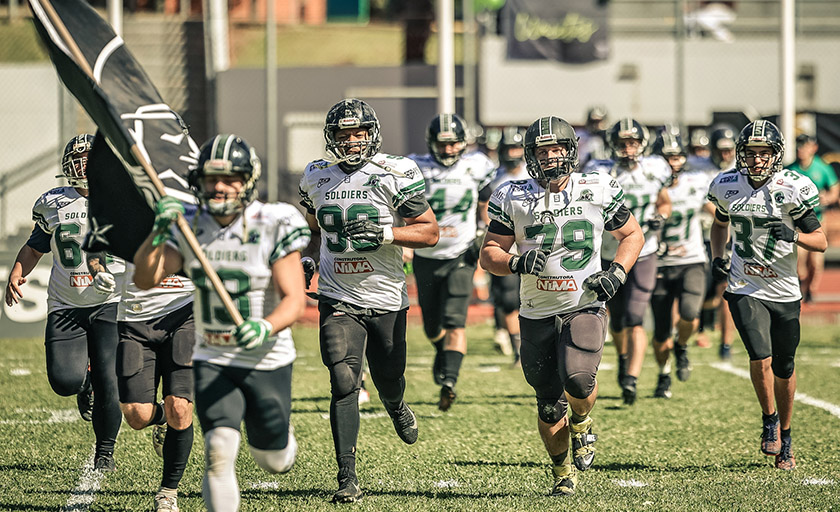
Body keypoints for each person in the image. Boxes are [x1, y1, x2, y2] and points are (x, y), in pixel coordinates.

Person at [133, 134, 310, 511]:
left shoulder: (273, 220)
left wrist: (265, 326)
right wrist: (158, 232)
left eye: (230, 178)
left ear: (248, 180)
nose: (219, 187)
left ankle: (281, 438)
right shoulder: (190, 223)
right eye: (212, 178)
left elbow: (294, 300)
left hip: (266, 357)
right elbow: (145, 279)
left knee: (273, 460)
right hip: (213, 355)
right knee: (218, 450)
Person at [481, 116, 643, 496]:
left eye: (557, 149)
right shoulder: (511, 194)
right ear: (531, 154)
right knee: (549, 404)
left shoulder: (598, 185)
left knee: (578, 379)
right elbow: (489, 255)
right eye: (543, 150)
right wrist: (516, 262)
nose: (551, 157)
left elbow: (632, 234)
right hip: (536, 309)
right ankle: (562, 471)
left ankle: (583, 421)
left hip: (582, 302)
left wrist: (616, 273)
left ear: (571, 152)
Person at [298, 98, 439, 503]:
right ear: (332, 137)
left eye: (359, 132)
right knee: (343, 380)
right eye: (344, 134)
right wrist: (304, 258)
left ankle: (395, 406)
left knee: (389, 377)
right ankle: (347, 476)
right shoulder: (315, 176)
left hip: (386, 295)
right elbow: (313, 230)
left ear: (373, 134)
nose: (353, 140)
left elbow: (429, 232)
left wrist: (385, 234)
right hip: (337, 294)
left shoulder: (395, 172)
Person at [708, 120, 826, 470]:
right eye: (751, 153)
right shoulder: (727, 185)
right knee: (760, 356)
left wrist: (792, 235)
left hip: (785, 289)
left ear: (776, 155)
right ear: (741, 154)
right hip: (745, 284)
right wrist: (718, 255)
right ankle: (769, 418)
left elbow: (820, 241)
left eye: (764, 153)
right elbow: (719, 224)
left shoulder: (792, 187)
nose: (757, 160)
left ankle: (786, 436)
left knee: (785, 367)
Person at [4, 134, 125, 471]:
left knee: (109, 379)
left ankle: (105, 451)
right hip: (65, 303)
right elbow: (34, 246)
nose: (86, 166)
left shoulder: (120, 198)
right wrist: (17, 270)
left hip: (110, 302)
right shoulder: (53, 201)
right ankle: (83, 382)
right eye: (80, 159)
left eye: (92, 159)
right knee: (63, 380)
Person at [407, 113, 495, 411]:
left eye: (454, 143)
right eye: (442, 144)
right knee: (432, 327)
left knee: (456, 321)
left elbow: (484, 204)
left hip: (461, 252)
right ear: (431, 144)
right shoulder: (415, 168)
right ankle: (442, 355)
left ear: (463, 143)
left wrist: (485, 235)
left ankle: (450, 382)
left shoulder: (476, 165)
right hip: (425, 255)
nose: (448, 150)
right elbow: (402, 207)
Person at [585, 118, 672, 405]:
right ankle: (623, 360)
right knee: (618, 320)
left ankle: (632, 379)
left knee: (636, 317)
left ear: (642, 143)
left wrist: (663, 215)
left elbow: (663, 200)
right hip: (609, 253)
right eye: (622, 143)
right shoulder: (599, 171)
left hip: (643, 252)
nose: (627, 148)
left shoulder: (655, 169)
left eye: (632, 142)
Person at [116, 265, 196, 512]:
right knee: (136, 416)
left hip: (186, 312)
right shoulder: (128, 223)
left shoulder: (199, 223)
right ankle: (163, 416)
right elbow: (97, 246)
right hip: (134, 318)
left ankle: (168, 493)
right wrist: (98, 271)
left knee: (180, 408)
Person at [649, 130, 716, 398]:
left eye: (676, 156)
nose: (671, 162)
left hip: (692, 259)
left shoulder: (697, 182)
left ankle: (683, 344)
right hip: (658, 262)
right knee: (661, 327)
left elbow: (716, 211)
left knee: (690, 312)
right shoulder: (647, 187)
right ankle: (663, 375)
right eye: (666, 157)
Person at [489, 126, 529, 362]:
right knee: (508, 299)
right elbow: (485, 207)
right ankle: (518, 349)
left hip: (534, 243)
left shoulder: (534, 174)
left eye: (517, 148)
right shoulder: (494, 178)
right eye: (510, 148)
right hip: (507, 246)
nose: (513, 153)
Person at [697, 125, 738, 355]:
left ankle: (726, 342)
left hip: (728, 236)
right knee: (701, 287)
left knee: (725, 287)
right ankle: (699, 329)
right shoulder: (699, 168)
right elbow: (700, 200)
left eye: (729, 150)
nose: (725, 155)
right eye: (721, 150)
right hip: (701, 236)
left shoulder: (739, 170)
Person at [789, 133, 839, 302]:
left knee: (815, 262)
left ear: (813, 148)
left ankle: (810, 289)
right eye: (798, 145)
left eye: (804, 145)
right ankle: (800, 289)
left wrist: (828, 198)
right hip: (797, 221)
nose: (800, 149)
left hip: (817, 219)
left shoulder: (822, 167)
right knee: (798, 260)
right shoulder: (790, 170)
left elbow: (834, 189)